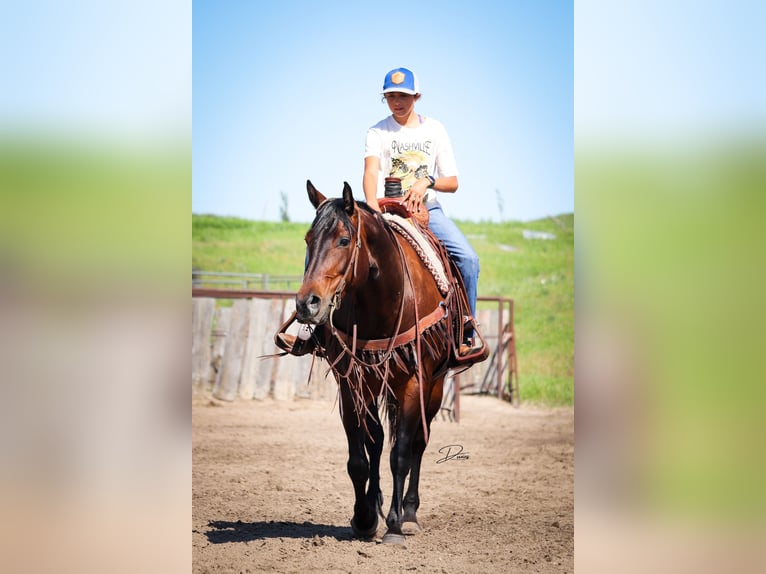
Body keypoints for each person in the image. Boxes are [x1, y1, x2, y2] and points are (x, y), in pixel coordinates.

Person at [363, 67, 482, 355]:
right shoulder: (377, 131)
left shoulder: (435, 130)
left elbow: (452, 182)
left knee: (468, 259)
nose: (397, 102)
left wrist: (426, 180)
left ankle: (465, 329)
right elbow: (370, 171)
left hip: (426, 209)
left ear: (417, 96)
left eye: (403, 96)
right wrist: (370, 207)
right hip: (383, 208)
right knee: (331, 239)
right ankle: (313, 329)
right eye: (390, 96)